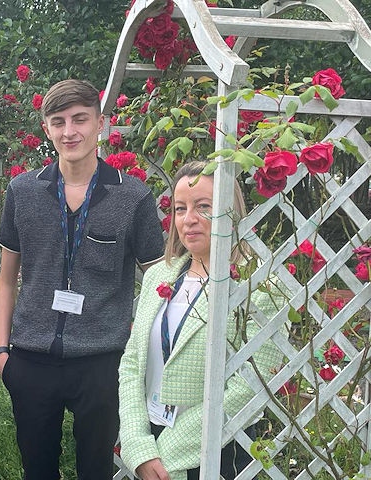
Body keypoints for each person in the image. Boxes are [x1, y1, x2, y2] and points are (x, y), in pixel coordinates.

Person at [0, 79, 164, 480]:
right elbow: (6, 279)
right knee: (37, 470)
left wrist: (138, 353)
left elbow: (159, 279)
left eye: (80, 119)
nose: (69, 131)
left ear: (100, 124)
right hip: (31, 358)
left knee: (96, 470)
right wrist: (3, 353)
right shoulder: (23, 191)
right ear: (46, 128)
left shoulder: (132, 197)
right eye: (58, 121)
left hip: (102, 361)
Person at [118, 161, 284, 480]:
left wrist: (168, 452)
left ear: (230, 210)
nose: (189, 219)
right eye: (180, 208)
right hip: (151, 438)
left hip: (218, 448)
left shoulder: (261, 284)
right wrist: (138, 444)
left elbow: (253, 383)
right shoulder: (159, 276)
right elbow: (133, 363)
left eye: (203, 206)